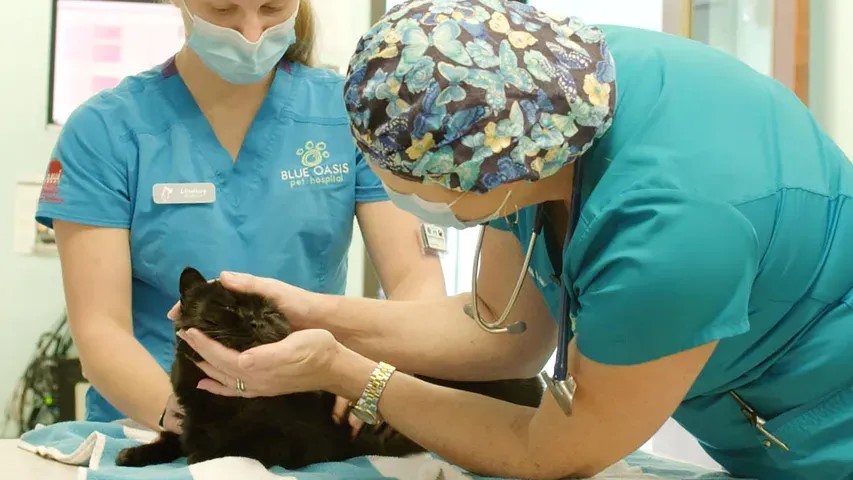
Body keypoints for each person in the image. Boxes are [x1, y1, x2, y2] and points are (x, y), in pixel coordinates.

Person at [170, 1, 853, 479]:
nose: (406, 198)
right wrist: (312, 313)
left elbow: (554, 452)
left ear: (490, 173)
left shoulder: (673, 232)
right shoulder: (530, 87)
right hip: (748, 424)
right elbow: (499, 329)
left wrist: (348, 374)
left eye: (412, 183)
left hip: (825, 437)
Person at [34, 0, 446, 436]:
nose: (251, 35)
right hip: (157, 421)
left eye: (272, 8)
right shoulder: (103, 132)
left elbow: (416, 287)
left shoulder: (351, 114)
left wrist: (366, 379)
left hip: (312, 420)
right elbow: (101, 330)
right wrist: (190, 424)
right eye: (223, 9)